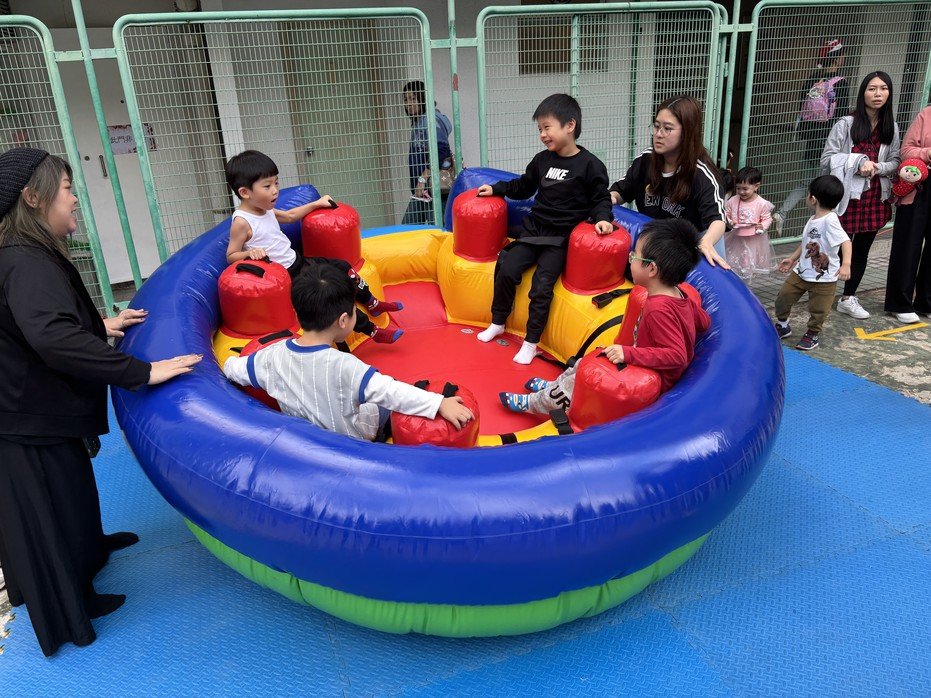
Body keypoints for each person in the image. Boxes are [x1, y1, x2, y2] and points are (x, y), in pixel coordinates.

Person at [0, 147, 202, 657]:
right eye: (67, 189)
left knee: (74, 489)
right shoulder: (23, 260)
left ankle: (90, 549)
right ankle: (73, 605)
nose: (75, 199)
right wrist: (142, 372)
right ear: (33, 197)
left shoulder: (28, 252)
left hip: (37, 405)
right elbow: (51, 337)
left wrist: (101, 326)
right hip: (24, 414)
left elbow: (37, 322)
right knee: (51, 505)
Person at [222, 263, 473, 440]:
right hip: (353, 441)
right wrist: (438, 403)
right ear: (344, 320)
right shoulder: (345, 366)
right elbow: (390, 392)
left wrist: (222, 361)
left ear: (297, 314)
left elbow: (233, 368)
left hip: (306, 440)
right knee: (388, 392)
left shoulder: (271, 357)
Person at [499, 218, 711, 414]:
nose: (630, 260)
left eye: (634, 256)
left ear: (652, 269)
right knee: (587, 360)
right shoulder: (679, 294)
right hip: (647, 362)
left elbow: (676, 355)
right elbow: (704, 322)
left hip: (651, 377)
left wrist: (628, 353)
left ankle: (535, 403)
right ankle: (554, 386)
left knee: (592, 372)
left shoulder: (658, 308)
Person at [475, 93, 613, 364]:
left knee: (541, 287)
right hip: (534, 231)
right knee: (507, 267)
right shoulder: (542, 160)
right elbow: (523, 186)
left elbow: (601, 198)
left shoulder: (590, 165)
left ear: (569, 125)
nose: (542, 134)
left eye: (547, 127)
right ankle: (498, 321)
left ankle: (531, 342)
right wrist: (497, 188)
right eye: (539, 129)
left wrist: (603, 218)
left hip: (559, 239)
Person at [224, 149, 403, 344]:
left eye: (276, 183)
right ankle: (373, 331)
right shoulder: (242, 222)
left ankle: (372, 302)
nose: (275, 190)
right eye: (267, 186)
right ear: (245, 192)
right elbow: (231, 255)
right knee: (333, 297)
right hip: (288, 277)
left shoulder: (264, 209)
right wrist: (249, 253)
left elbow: (290, 216)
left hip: (298, 261)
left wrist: (317, 204)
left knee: (343, 267)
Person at [609, 94, 728, 268]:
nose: (658, 134)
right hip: (658, 244)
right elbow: (621, 190)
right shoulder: (645, 161)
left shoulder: (702, 175)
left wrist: (707, 241)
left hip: (692, 249)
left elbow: (717, 220)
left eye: (667, 128)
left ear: (687, 133)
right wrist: (608, 198)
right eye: (656, 126)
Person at [821, 71, 900, 320]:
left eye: (883, 89)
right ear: (863, 93)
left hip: (875, 197)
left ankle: (848, 297)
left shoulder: (891, 127)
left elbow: (895, 161)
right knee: (834, 248)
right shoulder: (846, 124)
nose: (878, 94)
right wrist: (857, 162)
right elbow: (826, 160)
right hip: (845, 197)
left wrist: (877, 167)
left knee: (861, 250)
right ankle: (821, 295)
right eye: (872, 89)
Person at [773, 40, 849, 232]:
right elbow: (842, 114)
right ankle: (818, 225)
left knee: (805, 181)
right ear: (837, 59)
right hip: (828, 138)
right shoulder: (840, 82)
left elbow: (802, 105)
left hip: (810, 136)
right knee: (825, 184)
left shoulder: (812, 79)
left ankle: (782, 213)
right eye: (842, 55)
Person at [774, 175, 852, 351]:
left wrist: (846, 264)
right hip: (801, 271)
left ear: (813, 198)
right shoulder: (813, 219)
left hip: (824, 278)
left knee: (819, 309)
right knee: (784, 297)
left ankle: (812, 333)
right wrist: (792, 258)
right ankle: (783, 325)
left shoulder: (830, 220)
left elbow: (846, 241)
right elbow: (806, 244)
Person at [883, 103, 931, 323]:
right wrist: (928, 152)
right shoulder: (926, 114)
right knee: (908, 243)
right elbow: (906, 150)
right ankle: (899, 302)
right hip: (920, 184)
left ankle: (926, 302)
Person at [401, 80, 454, 226]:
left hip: (433, 190)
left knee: (433, 231)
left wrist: (423, 179)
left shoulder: (430, 121)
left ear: (422, 99)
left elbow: (442, 152)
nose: (409, 104)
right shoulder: (420, 121)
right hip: (422, 192)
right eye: (406, 100)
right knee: (409, 229)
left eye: (413, 98)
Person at [724, 166, 775, 279]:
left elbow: (767, 218)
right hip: (735, 236)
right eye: (738, 188)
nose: (741, 192)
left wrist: (762, 227)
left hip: (753, 238)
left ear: (756, 186)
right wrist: (730, 221)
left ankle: (746, 279)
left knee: (748, 260)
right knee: (733, 259)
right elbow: (726, 213)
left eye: (745, 189)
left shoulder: (761, 203)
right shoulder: (733, 200)